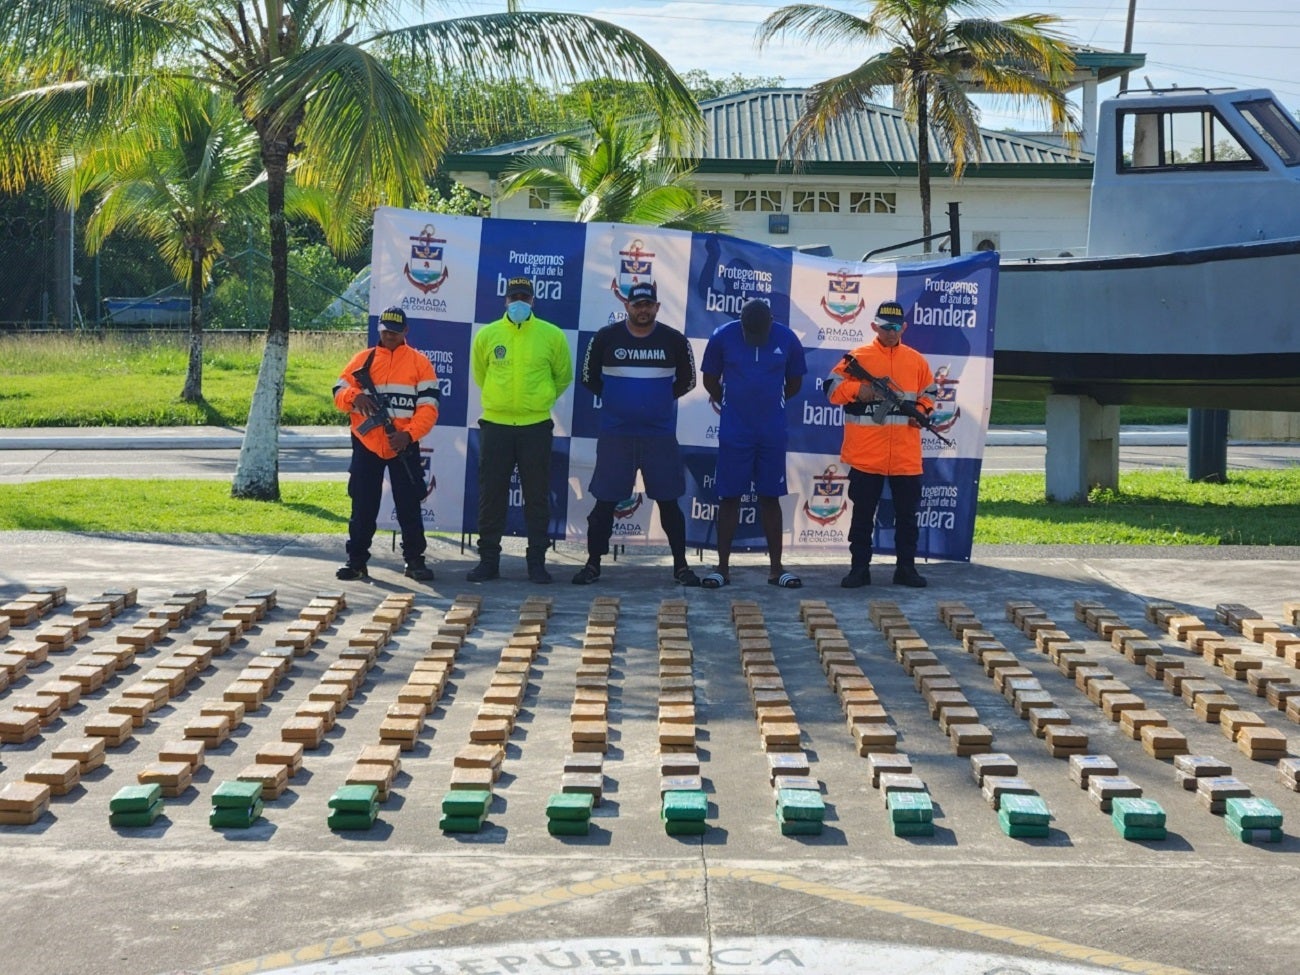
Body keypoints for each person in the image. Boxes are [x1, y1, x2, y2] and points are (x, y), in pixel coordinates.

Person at [573, 281, 701, 587]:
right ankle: (593, 565)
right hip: (617, 434)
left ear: (657, 307)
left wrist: (656, 404)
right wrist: (619, 402)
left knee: (669, 502)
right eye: (637, 305)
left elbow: (688, 381)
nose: (642, 310)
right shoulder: (606, 337)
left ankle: (681, 567)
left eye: (648, 305)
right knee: (605, 502)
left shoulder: (674, 339)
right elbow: (589, 378)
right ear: (627, 306)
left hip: (659, 435)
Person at [824, 299, 938, 588]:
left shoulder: (916, 360)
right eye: (885, 326)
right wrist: (859, 389)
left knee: (907, 519)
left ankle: (906, 569)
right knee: (862, 517)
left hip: (905, 456)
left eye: (896, 327)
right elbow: (831, 390)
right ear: (874, 325)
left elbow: (930, 393)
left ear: (904, 327)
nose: (891, 332)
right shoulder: (857, 358)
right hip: (866, 455)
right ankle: (859, 569)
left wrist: (922, 411)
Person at [467, 275, 573, 584]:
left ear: (533, 301)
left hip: (535, 426)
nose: (518, 303)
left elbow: (562, 376)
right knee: (491, 496)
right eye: (514, 298)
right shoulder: (487, 335)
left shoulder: (551, 335)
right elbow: (480, 374)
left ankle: (536, 563)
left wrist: (541, 400)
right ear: (505, 301)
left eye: (524, 298)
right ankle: (488, 562)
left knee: (537, 496)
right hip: (496, 425)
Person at [699, 298, 807, 589]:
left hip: (771, 431)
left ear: (772, 321)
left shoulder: (787, 338)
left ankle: (776, 570)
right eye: (749, 333)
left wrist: (770, 403)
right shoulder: (723, 336)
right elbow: (709, 379)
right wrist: (731, 403)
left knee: (770, 497)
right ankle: (722, 568)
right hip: (735, 431)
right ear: (741, 322)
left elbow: (794, 383)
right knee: (729, 497)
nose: (754, 338)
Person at [333, 305, 439, 582]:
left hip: (403, 443)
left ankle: (415, 561)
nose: (390, 337)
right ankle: (356, 561)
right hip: (366, 443)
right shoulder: (362, 360)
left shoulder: (420, 362)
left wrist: (409, 434)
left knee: (409, 505)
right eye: (385, 332)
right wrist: (355, 397)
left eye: (395, 332)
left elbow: (430, 407)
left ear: (405, 331)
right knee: (363, 505)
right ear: (379, 330)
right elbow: (338, 390)